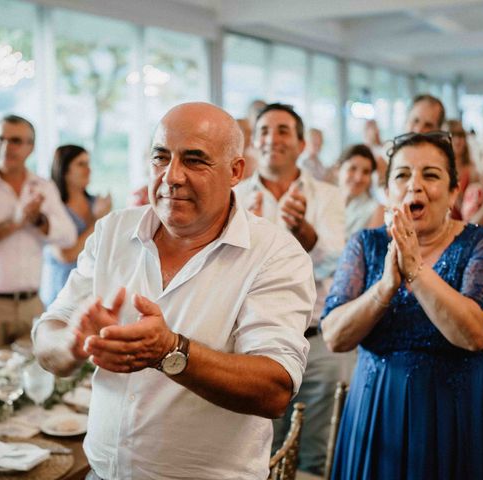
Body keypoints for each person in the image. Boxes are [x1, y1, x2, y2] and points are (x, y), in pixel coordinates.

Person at [33, 102, 316, 480]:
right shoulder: (112, 232)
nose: (171, 176)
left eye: (195, 160)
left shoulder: (275, 254)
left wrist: (171, 351)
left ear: (235, 171)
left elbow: (274, 389)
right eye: (160, 158)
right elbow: (45, 336)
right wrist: (72, 342)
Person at [321, 131, 483, 479]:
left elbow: (477, 334)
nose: (415, 185)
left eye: (431, 175)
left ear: (454, 191)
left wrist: (416, 272)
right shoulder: (366, 244)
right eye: (402, 175)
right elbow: (334, 336)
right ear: (388, 189)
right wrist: (386, 287)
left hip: (453, 417)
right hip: (374, 413)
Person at [235, 103, 345, 475]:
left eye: (283, 130)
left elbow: (336, 262)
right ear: (254, 143)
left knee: (315, 451)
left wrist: (304, 232)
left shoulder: (328, 195)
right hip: (250, 342)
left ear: (300, 143)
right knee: (253, 449)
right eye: (264, 130)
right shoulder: (234, 197)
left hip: (316, 341)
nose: (272, 138)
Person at [0, 115, 76, 352]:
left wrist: (39, 219)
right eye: (1, 139)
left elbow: (68, 235)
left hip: (31, 304)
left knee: (37, 379)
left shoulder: (42, 186)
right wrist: (15, 223)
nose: (6, 147)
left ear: (31, 147)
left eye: (16, 141)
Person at [40, 145, 112, 306]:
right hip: (61, 296)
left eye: (88, 163)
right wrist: (97, 220)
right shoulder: (53, 208)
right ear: (64, 170)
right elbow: (66, 255)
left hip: (92, 295)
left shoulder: (95, 203)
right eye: (81, 164)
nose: (89, 170)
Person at [336, 144, 381, 237]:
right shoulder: (322, 202)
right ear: (337, 169)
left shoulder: (376, 210)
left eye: (366, 172)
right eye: (352, 168)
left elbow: (367, 250)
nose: (358, 178)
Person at [446, 119, 476, 219]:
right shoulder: (437, 168)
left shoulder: (472, 171)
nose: (458, 141)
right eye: (453, 136)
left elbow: (469, 209)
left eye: (461, 136)